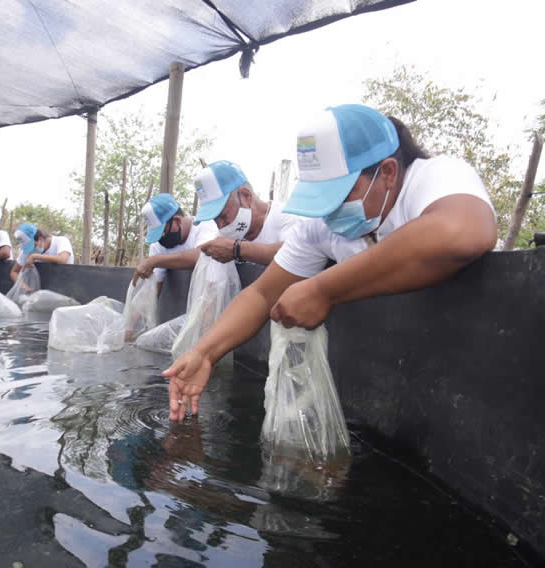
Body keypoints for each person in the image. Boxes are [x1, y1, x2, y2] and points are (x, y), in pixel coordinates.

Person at [164, 104, 498, 422]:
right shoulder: (322, 225)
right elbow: (263, 295)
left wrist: (324, 289)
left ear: (388, 173)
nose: (329, 212)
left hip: (478, 373)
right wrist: (204, 352)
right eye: (321, 199)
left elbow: (462, 232)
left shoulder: (436, 176)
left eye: (338, 197)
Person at [193, 161, 302, 265]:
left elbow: (297, 255)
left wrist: (237, 250)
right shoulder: (225, 236)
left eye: (223, 216)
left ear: (246, 196)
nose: (220, 226)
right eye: (215, 220)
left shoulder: (287, 217)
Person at [133, 193, 217, 292]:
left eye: (162, 233)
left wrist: (154, 261)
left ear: (177, 221)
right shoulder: (158, 244)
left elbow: (201, 256)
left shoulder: (204, 226)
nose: (160, 240)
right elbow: (156, 286)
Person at [9, 222, 74, 282]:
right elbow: (14, 272)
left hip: (64, 285)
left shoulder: (61, 241)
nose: (32, 250)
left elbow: (62, 259)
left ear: (40, 238)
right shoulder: (27, 251)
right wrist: (23, 286)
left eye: (33, 245)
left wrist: (34, 256)